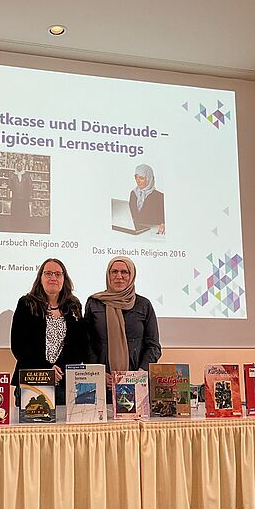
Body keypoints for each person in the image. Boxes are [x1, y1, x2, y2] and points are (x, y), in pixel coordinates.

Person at [10, 258, 88, 405]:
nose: (53, 277)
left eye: (58, 274)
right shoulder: (27, 304)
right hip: (32, 380)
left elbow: (80, 345)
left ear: (64, 279)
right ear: (40, 278)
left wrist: (59, 371)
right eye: (48, 273)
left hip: (64, 382)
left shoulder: (73, 305)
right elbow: (18, 345)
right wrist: (47, 369)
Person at [85, 256, 161, 398]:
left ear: (132, 275)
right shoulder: (94, 303)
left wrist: (140, 373)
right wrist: (98, 373)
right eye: (114, 272)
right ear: (108, 275)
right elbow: (87, 344)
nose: (119, 276)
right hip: (102, 383)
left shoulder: (144, 305)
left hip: (136, 384)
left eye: (124, 272)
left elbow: (153, 346)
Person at [129, 163, 165, 234]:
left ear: (149, 178)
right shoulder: (133, 193)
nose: (138, 180)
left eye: (141, 178)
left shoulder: (159, 196)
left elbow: (164, 219)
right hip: (136, 232)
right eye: (136, 177)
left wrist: (164, 224)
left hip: (152, 233)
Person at [8, 159, 33, 231]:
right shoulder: (12, 175)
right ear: (16, 166)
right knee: (15, 212)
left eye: (20, 166)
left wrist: (30, 195)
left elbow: (30, 186)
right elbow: (9, 186)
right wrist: (9, 195)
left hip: (24, 198)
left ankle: (24, 225)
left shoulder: (26, 175)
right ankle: (15, 225)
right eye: (18, 166)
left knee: (23, 212)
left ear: (22, 166)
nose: (19, 167)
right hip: (15, 198)